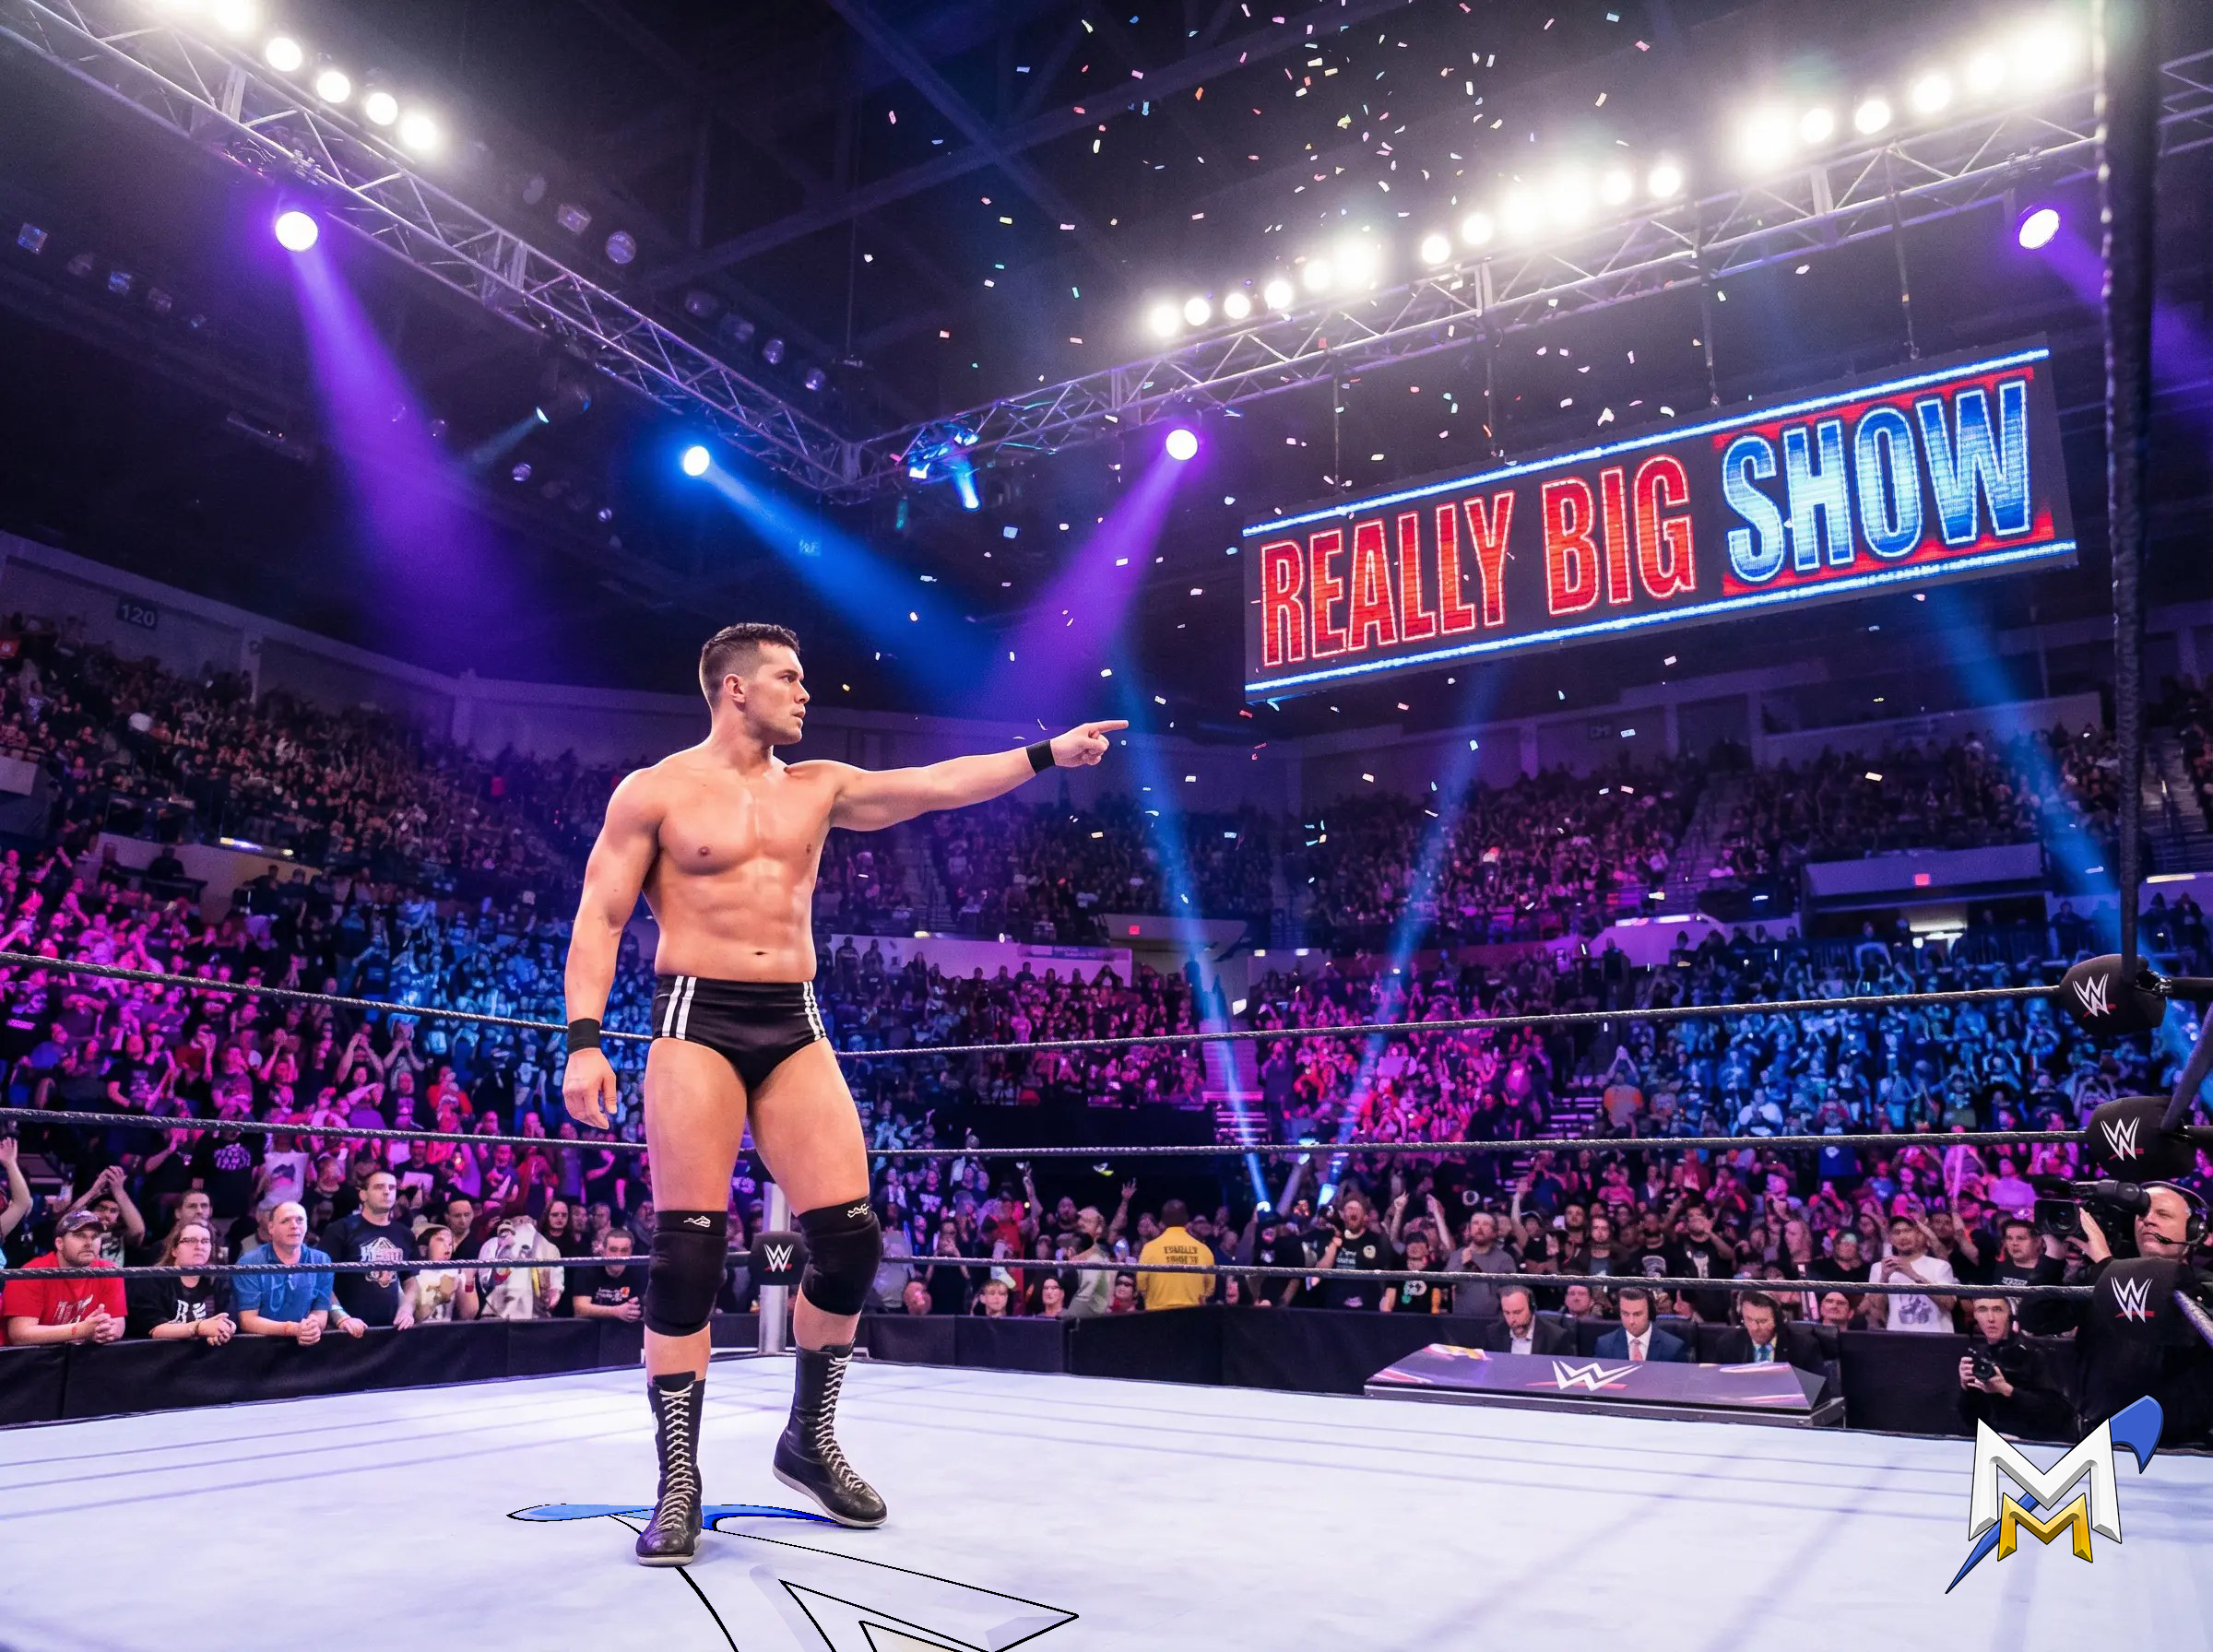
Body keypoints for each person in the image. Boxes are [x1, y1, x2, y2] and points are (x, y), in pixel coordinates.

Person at [561, 620, 1124, 1559]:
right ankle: (678, 1478)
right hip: (694, 1014)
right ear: (734, 688)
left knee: (853, 1239)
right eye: (788, 677)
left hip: (794, 1016)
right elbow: (602, 913)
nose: (804, 691)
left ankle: (808, 1437)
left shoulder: (819, 787)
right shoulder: (655, 791)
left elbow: (937, 786)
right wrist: (585, 1040)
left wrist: (1046, 754)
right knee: (689, 1254)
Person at [233, 1201, 362, 1343]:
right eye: (285, 1221)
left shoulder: (321, 1260)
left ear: (307, 1225)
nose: (294, 1226)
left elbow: (320, 1311)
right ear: (271, 1228)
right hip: (259, 1347)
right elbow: (248, 1321)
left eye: (300, 1220)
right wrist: (293, 1329)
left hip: (305, 1347)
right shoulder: (249, 1262)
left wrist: (313, 1325)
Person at [3, 1209, 124, 1346]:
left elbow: (118, 1325)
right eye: (80, 1235)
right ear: (59, 1243)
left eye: (95, 1236)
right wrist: (82, 1330)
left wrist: (105, 1331)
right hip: (34, 1361)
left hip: (85, 1360)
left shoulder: (109, 1271)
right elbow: (20, 1335)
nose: (89, 1242)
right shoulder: (32, 1273)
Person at [1957, 1295, 2071, 1440]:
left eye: (1997, 1310)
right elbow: (1971, 1421)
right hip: (1993, 1439)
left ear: (2010, 1316)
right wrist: (1966, 1388)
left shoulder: (2036, 1354)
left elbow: (2059, 1414)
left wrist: (2007, 1390)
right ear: (1975, 1316)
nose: (1990, 1318)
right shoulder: (1978, 1356)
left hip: (2034, 1440)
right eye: (1982, 1310)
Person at [321, 1169, 420, 1330]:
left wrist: (407, 1309)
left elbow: (410, 1281)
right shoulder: (340, 1229)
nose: (387, 1191)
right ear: (363, 1195)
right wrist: (341, 1317)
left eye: (392, 1187)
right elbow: (321, 1279)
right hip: (347, 1330)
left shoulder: (405, 1234)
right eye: (379, 1187)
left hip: (390, 1330)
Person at [125, 1218, 236, 1342]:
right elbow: (154, 1329)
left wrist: (225, 1330)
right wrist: (198, 1328)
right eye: (190, 1241)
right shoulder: (153, 1279)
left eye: (205, 1241)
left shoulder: (219, 1280)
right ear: (174, 1250)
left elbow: (230, 1319)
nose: (199, 1246)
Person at [1876, 1214, 1959, 1333]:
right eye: (1897, 1232)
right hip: (1898, 1340)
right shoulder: (1881, 1268)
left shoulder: (1940, 1266)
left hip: (1936, 1340)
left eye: (1907, 1231)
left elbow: (1949, 1304)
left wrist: (1914, 1276)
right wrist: (1884, 1279)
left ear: (1919, 1234)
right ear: (1891, 1239)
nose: (1903, 1237)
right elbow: (1877, 1313)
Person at [1316, 1193, 1396, 1311]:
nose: (1353, 1210)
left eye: (1357, 1208)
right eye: (1349, 1208)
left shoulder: (1377, 1240)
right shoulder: (1330, 1237)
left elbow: (1390, 1274)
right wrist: (1334, 1244)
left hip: (1368, 1310)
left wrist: (1386, 1303)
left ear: (1365, 1217)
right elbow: (1320, 1271)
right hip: (1335, 1309)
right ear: (1343, 1215)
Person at [1135, 1198, 1213, 1311]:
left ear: (1163, 1221)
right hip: (1193, 1315)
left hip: (1158, 1314)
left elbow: (1141, 1284)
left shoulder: (1150, 1248)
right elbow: (1209, 1289)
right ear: (1187, 1220)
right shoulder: (1203, 1250)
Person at [401, 1223, 479, 1324]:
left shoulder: (455, 1272)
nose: (448, 1246)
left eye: (450, 1243)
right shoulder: (411, 1275)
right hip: (419, 1333)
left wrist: (469, 1281)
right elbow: (417, 1317)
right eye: (441, 1240)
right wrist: (442, 1292)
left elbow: (469, 1314)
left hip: (447, 1332)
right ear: (423, 1248)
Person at [570, 1227, 645, 1321]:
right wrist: (616, 1311)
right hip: (590, 1331)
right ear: (604, 1251)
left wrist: (638, 1311)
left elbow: (646, 1308)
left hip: (625, 1331)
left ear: (631, 1252)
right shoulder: (587, 1269)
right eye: (613, 1250)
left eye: (624, 1250)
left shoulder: (639, 1272)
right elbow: (580, 1309)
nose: (618, 1256)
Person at [1595, 1287, 1688, 1363]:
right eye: (1625, 1314)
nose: (1631, 1321)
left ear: (1650, 1313)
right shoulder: (1605, 1345)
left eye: (1637, 1314)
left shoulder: (1673, 1348)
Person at [1477, 1282, 1571, 1354]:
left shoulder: (1555, 1337)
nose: (1512, 1319)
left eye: (1517, 1312)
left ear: (1532, 1308)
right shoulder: (1493, 1334)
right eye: (1507, 1313)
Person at [1713, 1292, 1790, 1365]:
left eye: (1762, 1321)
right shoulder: (1727, 1345)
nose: (1754, 1328)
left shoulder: (1798, 1346)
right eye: (1749, 1319)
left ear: (1777, 1320)